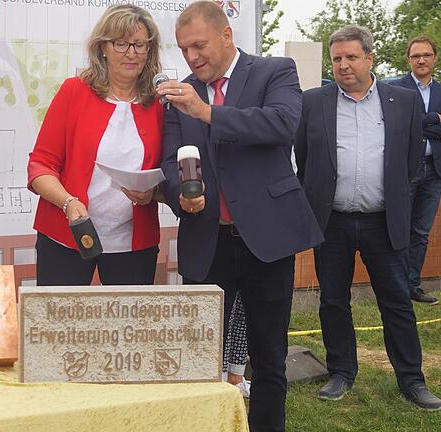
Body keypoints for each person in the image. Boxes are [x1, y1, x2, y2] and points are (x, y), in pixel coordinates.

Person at [157, 2, 323, 430]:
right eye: (184, 48)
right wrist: (181, 198)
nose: (192, 57)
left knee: (268, 356)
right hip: (206, 241)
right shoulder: (180, 96)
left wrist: (208, 113)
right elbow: (170, 161)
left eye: (199, 45)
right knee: (200, 357)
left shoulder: (275, 71)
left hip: (266, 238)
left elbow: (282, 124)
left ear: (226, 36)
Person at [295, 25, 441, 411]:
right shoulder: (314, 102)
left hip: (384, 220)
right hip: (333, 221)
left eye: (351, 57)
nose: (343, 65)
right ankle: (342, 372)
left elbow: (412, 160)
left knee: (396, 301)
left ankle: (412, 380)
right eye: (337, 59)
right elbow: (305, 158)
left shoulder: (404, 101)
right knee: (332, 300)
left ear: (370, 58)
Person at [27, 5, 163, 286]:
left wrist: (154, 193)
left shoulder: (160, 104)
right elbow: (40, 165)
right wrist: (68, 202)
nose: (131, 53)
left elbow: (171, 171)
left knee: (130, 329)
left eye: (139, 45)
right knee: (59, 328)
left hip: (133, 244)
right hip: (67, 234)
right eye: (121, 43)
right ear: (103, 48)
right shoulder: (74, 91)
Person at [389, 36, 441, 305]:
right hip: (406, 168)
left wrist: (418, 125)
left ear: (434, 58)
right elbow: (397, 124)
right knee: (399, 228)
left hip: (434, 170)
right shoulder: (396, 88)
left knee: (420, 231)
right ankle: (395, 286)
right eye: (416, 55)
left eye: (426, 55)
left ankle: (412, 285)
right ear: (408, 59)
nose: (421, 60)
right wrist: (432, 119)